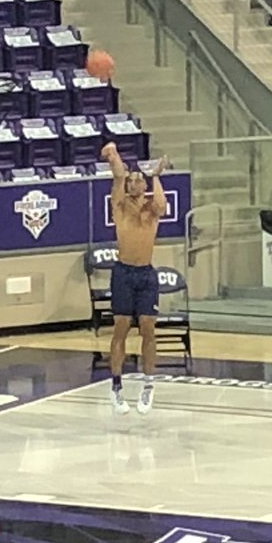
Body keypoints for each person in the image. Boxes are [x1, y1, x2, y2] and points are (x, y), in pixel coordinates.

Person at [101, 142, 168, 415]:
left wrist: (156, 175)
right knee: (121, 328)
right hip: (123, 272)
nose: (134, 183)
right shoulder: (120, 205)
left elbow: (162, 206)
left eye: (139, 180)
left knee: (148, 327)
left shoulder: (151, 209)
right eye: (133, 180)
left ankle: (148, 384)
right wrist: (113, 155)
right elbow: (118, 175)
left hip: (145, 273)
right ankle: (116, 386)